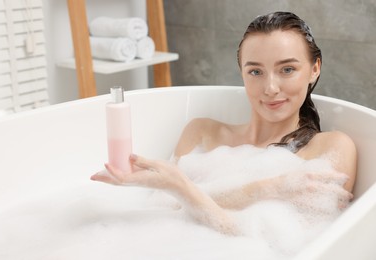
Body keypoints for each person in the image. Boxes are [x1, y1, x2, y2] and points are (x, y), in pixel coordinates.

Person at [91, 11, 357, 235]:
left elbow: (291, 244)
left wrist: (181, 188)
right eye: (255, 71)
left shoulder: (331, 148)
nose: (270, 88)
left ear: (314, 69)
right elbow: (166, 215)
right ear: (242, 73)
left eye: (287, 69)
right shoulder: (201, 133)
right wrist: (269, 188)